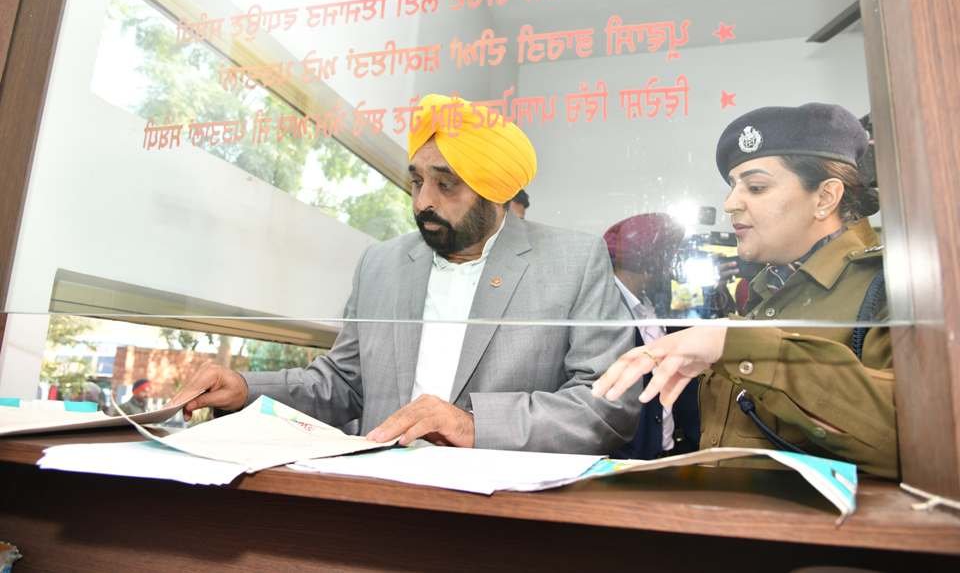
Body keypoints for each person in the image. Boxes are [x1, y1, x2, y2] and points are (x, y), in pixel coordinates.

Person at [175, 94, 640, 454]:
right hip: (385, 503)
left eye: (446, 184)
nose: (423, 202)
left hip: (503, 513)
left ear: (494, 191)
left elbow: (608, 404)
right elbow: (342, 385)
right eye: (416, 181)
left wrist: (473, 425)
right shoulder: (381, 264)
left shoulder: (572, 260)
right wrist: (246, 390)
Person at [593, 103, 897, 478]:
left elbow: (914, 436)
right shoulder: (769, 290)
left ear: (824, 198)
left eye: (756, 187)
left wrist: (737, 346)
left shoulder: (890, 287)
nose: (730, 203)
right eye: (733, 186)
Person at [603, 213, 699, 459]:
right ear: (649, 261)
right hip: (624, 460)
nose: (673, 266)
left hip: (667, 452)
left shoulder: (655, 306)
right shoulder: (603, 309)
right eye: (669, 255)